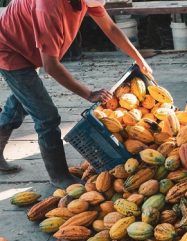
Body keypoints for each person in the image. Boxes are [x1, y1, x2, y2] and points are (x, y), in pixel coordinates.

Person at [0, 0, 153, 188]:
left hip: (28, 45)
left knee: (23, 102)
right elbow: (51, 66)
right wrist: (88, 93)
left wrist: (139, 58)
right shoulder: (48, 6)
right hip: (9, 49)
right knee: (46, 117)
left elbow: (110, 28)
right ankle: (59, 176)